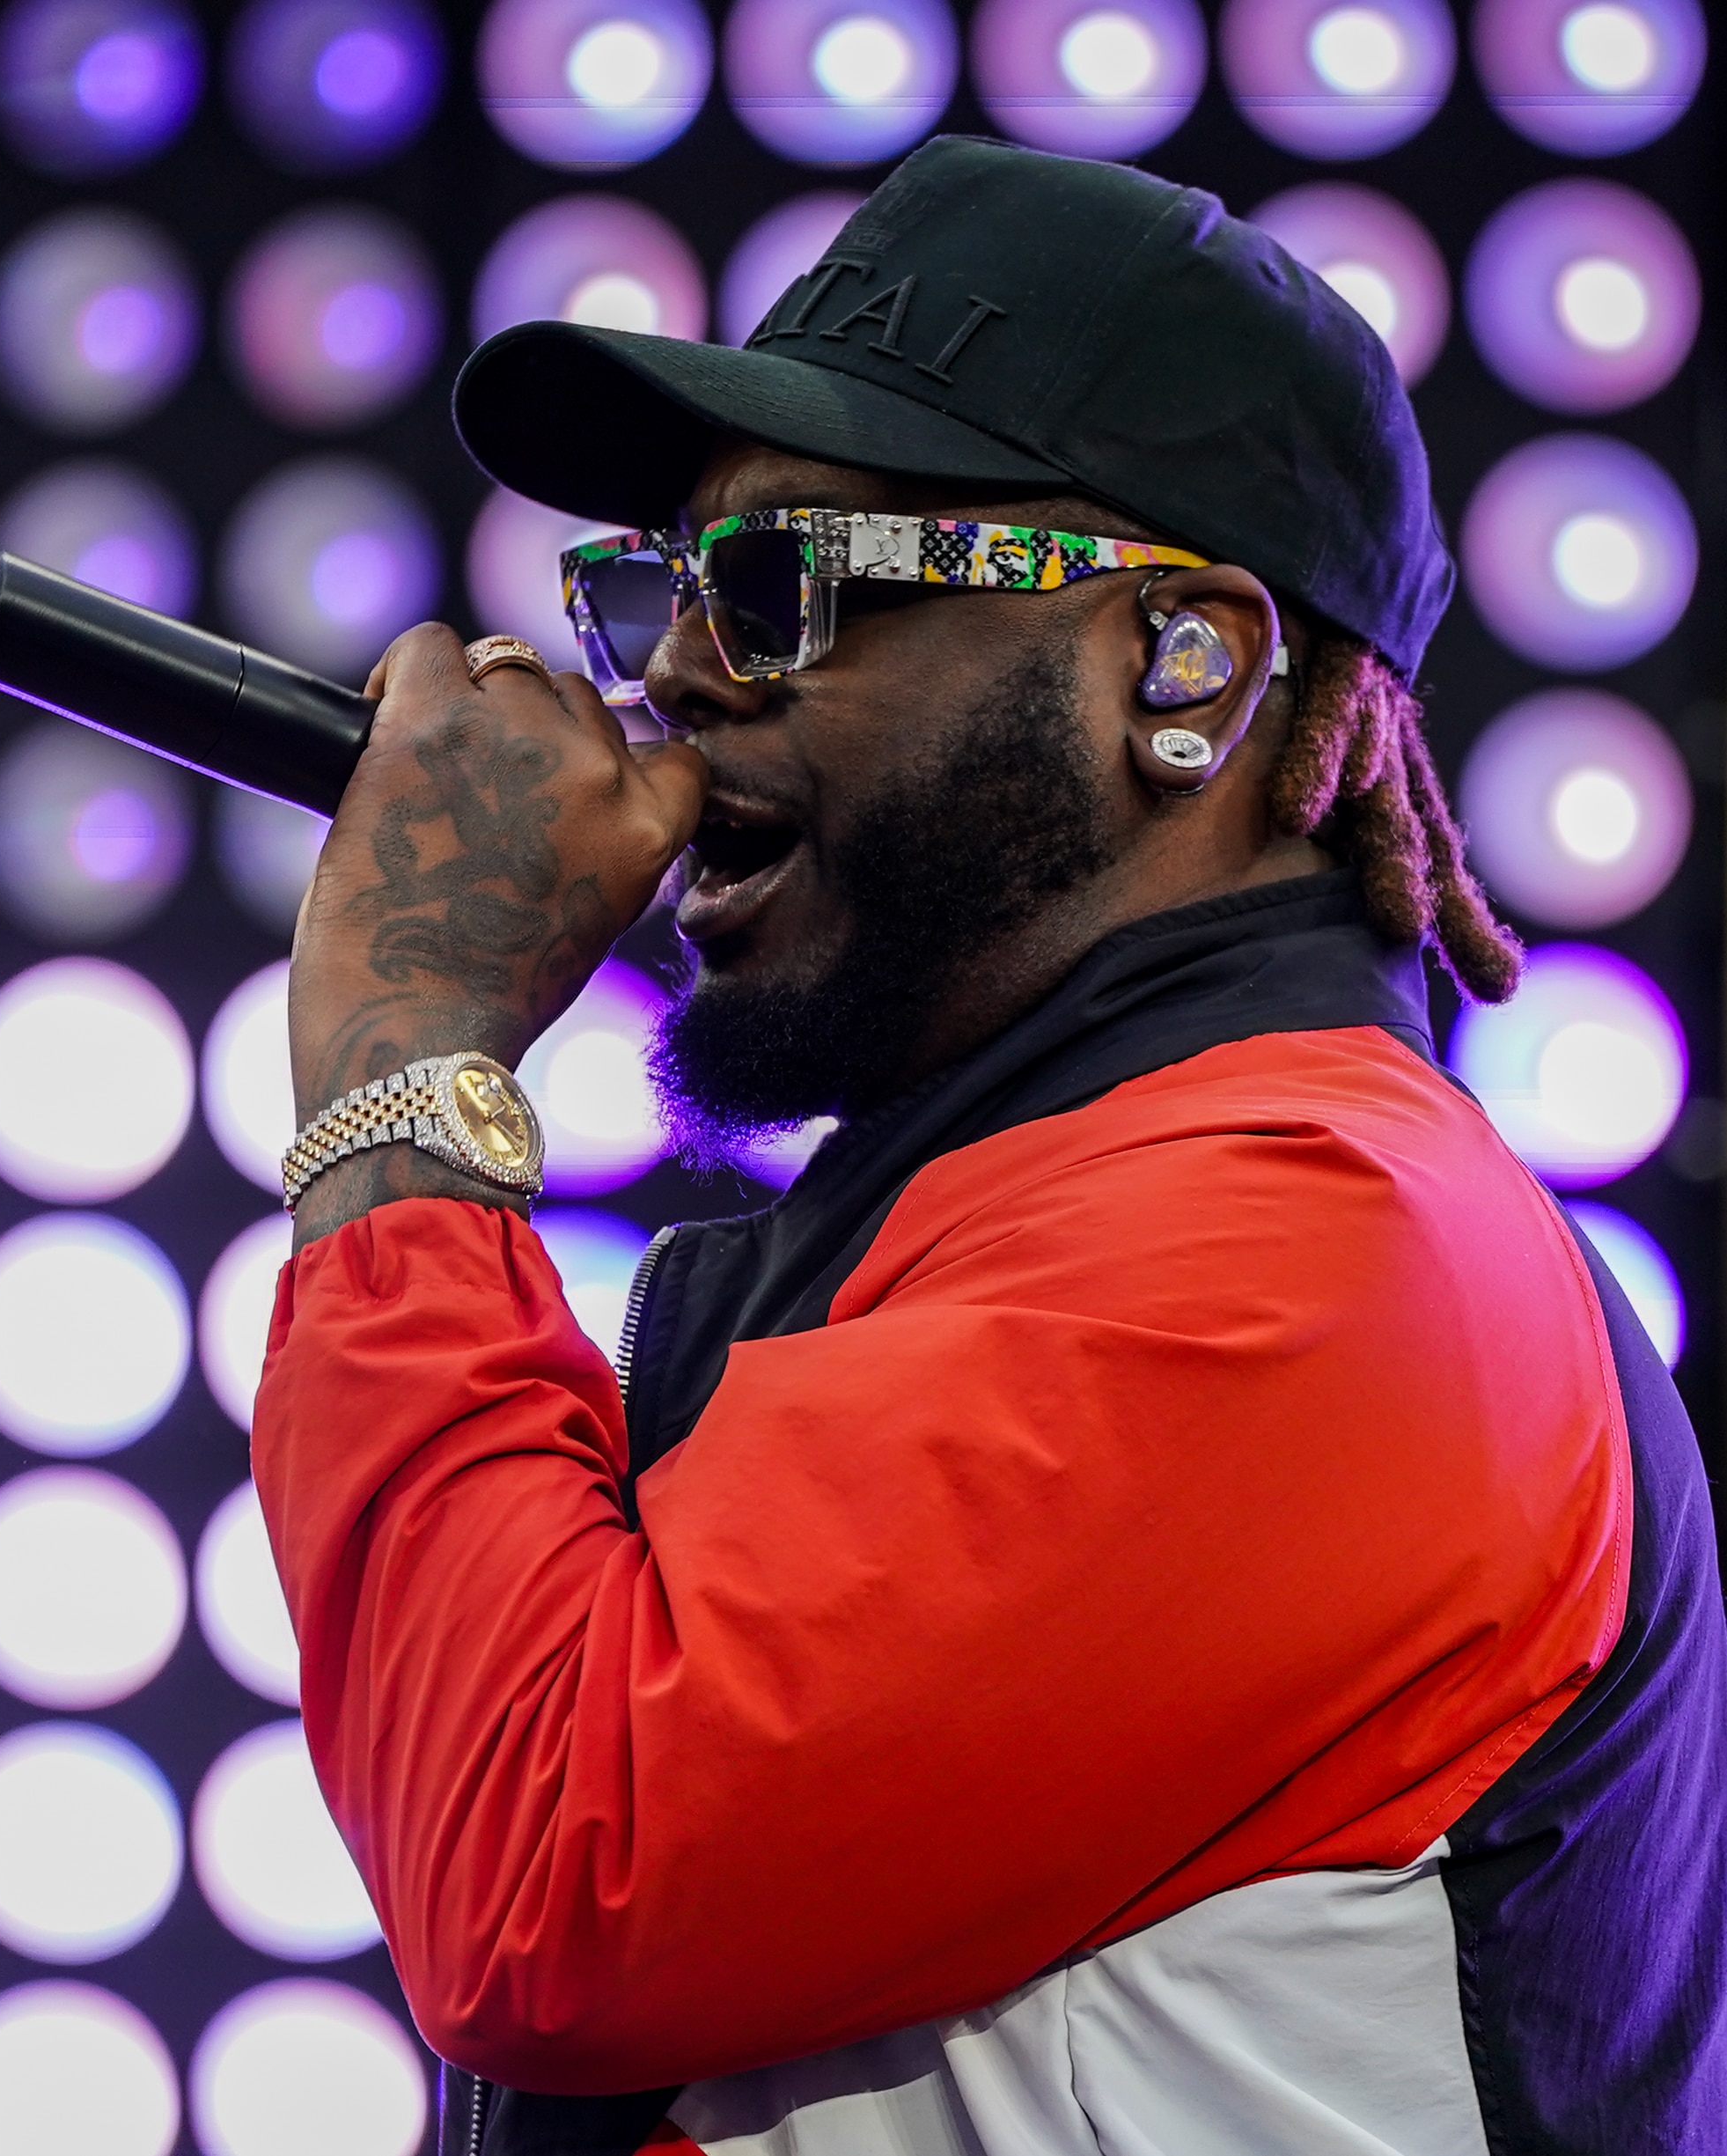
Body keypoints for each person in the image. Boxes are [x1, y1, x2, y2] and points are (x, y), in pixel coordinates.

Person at [252, 136, 1722, 2154]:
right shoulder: (1068, 1205)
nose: (673, 671)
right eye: (664, 585)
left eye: (784, 585)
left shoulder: (1309, 1242)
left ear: (1182, 667)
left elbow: (554, 1870)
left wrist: (408, 1062)